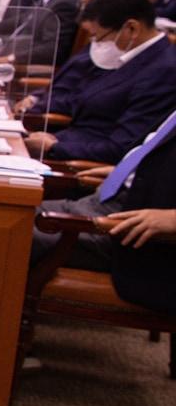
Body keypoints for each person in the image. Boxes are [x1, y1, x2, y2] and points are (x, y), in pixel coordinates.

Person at [29, 104, 176, 317]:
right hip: (108, 200)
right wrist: (130, 169)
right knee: (1, 212)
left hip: (131, 236)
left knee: (3, 231)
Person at [19, 0, 176, 163]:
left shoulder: (163, 72)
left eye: (99, 38)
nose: (96, 45)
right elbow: (79, 97)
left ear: (131, 28)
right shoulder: (127, 55)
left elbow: (123, 147)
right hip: (67, 140)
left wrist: (54, 147)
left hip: (79, 164)